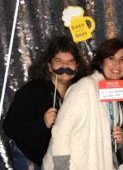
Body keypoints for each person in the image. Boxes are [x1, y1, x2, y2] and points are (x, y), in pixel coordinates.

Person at [42, 38, 123, 170]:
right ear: (101, 62)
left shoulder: (113, 91)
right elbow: (61, 132)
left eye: (122, 59)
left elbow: (100, 134)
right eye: (111, 58)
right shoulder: (84, 87)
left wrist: (117, 140)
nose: (117, 64)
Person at [3, 35, 89, 169]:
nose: (65, 65)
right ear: (49, 66)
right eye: (59, 61)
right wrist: (42, 124)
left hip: (61, 158)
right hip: (30, 157)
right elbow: (10, 128)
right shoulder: (32, 91)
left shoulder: (80, 91)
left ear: (77, 66)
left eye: (70, 61)